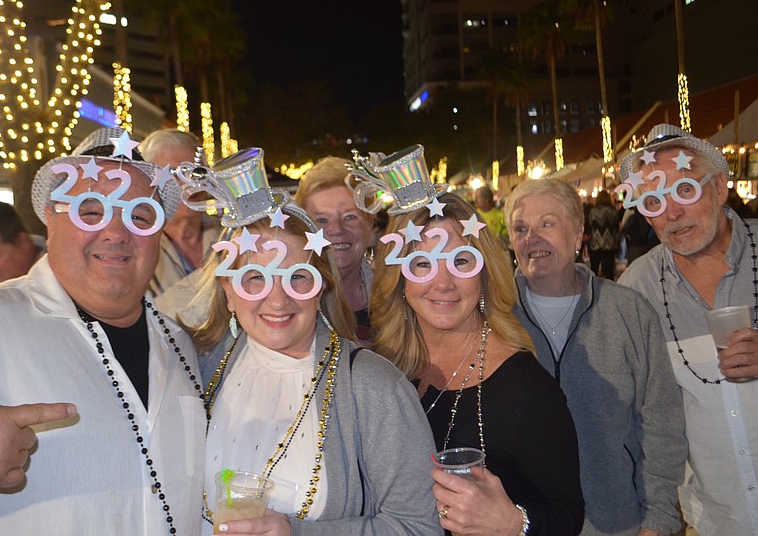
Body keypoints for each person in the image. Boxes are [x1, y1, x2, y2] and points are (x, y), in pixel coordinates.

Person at [0, 127, 206, 535]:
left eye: (139, 215)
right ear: (51, 219)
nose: (116, 232)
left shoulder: (181, 346)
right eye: (90, 210)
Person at [179, 147, 441, 535]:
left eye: (298, 277)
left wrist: (296, 532)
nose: (277, 300)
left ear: (321, 288)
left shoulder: (375, 388)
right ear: (228, 293)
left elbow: (419, 527)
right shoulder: (195, 369)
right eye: (255, 278)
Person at [364, 145, 584, 536]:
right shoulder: (382, 369)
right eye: (421, 264)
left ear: (484, 273)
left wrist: (514, 522)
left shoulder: (527, 390)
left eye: (461, 261)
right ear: (398, 279)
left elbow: (567, 513)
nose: (443, 283)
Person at [505, 178, 687, 536]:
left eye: (546, 223)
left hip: (618, 521)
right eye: (520, 228)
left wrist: (658, 519)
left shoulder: (627, 311)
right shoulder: (496, 318)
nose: (531, 238)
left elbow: (662, 422)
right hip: (523, 523)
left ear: (578, 234)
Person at [617, 123, 758, 535]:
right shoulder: (638, 288)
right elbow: (642, 417)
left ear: (720, 187)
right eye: (653, 200)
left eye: (684, 190)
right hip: (714, 519)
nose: (672, 213)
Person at [294, 155, 375, 343]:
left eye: (350, 217)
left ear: (370, 223)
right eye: (322, 220)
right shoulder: (287, 299)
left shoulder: (394, 292)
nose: (336, 229)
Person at [138, 128, 220, 296]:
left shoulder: (232, 235)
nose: (190, 184)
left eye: (197, 172)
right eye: (174, 174)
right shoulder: (136, 244)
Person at [584, 191, 619, 279]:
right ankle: (610, 287)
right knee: (609, 271)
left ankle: (592, 286)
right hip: (610, 244)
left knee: (594, 270)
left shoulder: (593, 211)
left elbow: (589, 225)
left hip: (596, 243)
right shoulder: (613, 211)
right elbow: (617, 227)